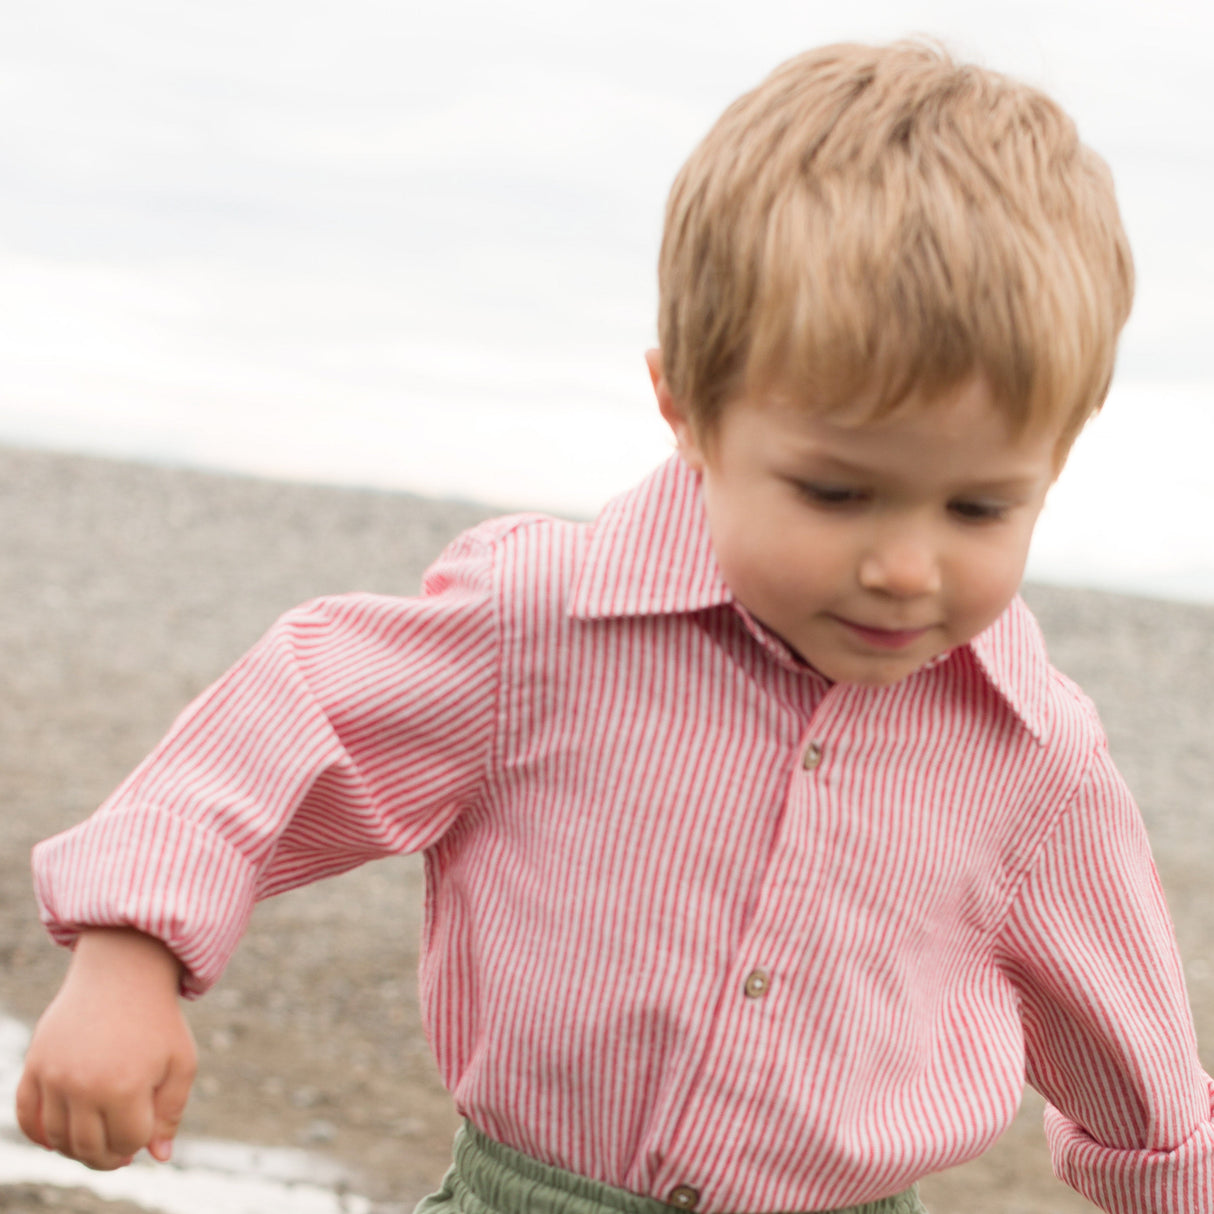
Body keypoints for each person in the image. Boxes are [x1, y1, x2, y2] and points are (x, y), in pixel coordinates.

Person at [15, 40, 1214, 1214]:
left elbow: (1141, 1066)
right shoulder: (539, 626)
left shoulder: (1031, 755)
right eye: (834, 491)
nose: (904, 567)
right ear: (686, 410)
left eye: (977, 508)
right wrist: (129, 956)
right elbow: (289, 727)